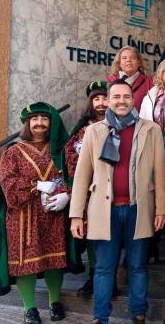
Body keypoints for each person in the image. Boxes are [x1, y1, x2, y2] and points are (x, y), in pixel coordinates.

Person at [70, 79, 165, 324]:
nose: (121, 101)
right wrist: (75, 214)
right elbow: (82, 175)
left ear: (132, 99)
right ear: (109, 101)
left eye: (126, 96)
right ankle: (100, 317)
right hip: (105, 211)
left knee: (138, 266)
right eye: (116, 97)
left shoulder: (150, 129)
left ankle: (138, 313)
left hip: (139, 209)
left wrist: (162, 209)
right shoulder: (95, 131)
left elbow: (160, 170)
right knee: (104, 267)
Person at [0, 103, 81, 324]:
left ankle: (54, 301)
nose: (39, 123)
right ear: (27, 123)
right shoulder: (13, 152)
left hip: (54, 213)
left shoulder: (62, 150)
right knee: (25, 263)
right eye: (34, 119)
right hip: (23, 216)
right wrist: (37, 186)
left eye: (44, 119)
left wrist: (66, 194)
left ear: (51, 122)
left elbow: (75, 175)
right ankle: (30, 309)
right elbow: (9, 184)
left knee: (55, 260)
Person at [65, 81, 109, 298]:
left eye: (104, 98)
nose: (101, 103)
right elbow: (71, 155)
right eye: (96, 99)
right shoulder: (82, 129)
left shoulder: (118, 124)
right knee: (93, 234)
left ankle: (110, 279)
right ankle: (94, 277)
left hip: (113, 189)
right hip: (90, 191)